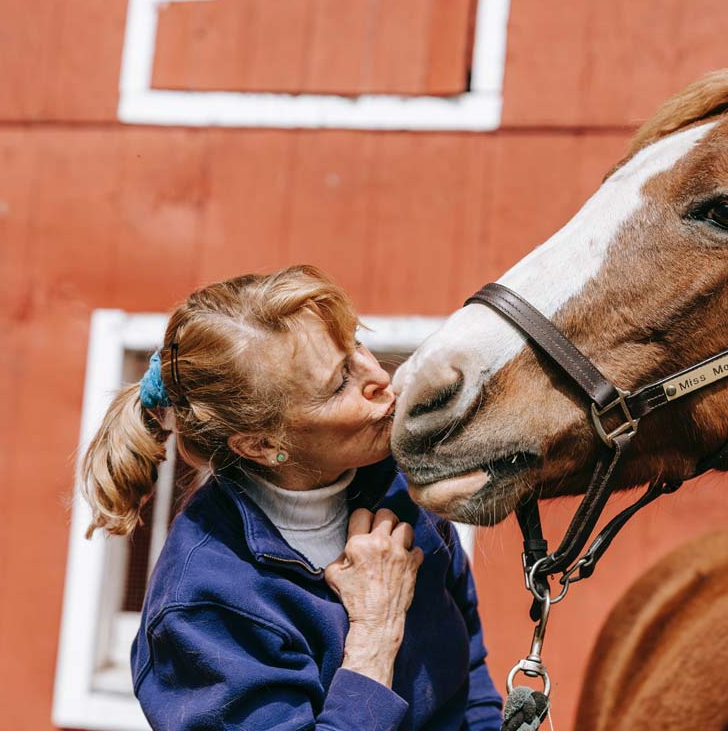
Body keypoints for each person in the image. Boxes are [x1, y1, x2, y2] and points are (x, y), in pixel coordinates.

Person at [81, 265, 503, 730]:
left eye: (357, 343)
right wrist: (375, 634)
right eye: (340, 381)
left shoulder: (399, 484)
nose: (380, 376)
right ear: (261, 444)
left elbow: (467, 665)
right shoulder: (203, 605)